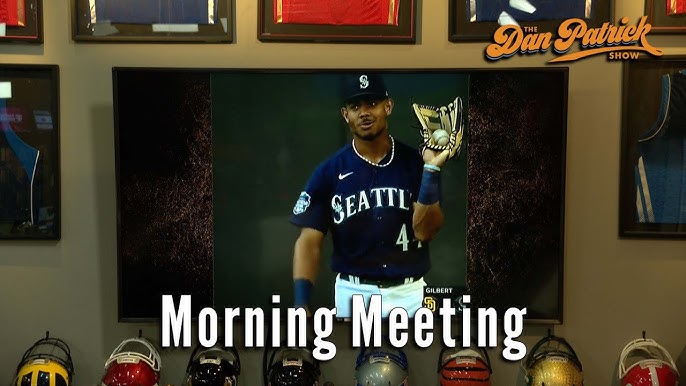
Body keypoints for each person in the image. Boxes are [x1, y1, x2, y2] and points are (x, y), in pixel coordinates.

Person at [289, 73, 451, 318]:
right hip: (352, 292)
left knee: (417, 358)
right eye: (355, 106)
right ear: (346, 115)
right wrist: (301, 303)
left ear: (388, 106)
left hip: (409, 295)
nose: (364, 112)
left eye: (372, 104)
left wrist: (431, 170)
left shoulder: (416, 164)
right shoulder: (329, 171)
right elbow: (309, 241)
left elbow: (425, 232)